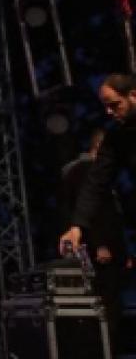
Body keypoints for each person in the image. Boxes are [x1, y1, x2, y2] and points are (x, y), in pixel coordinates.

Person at [59, 127, 126, 345]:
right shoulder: (87, 171)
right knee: (106, 306)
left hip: (100, 247)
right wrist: (101, 244)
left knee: (105, 305)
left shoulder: (84, 172)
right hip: (97, 250)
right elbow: (93, 211)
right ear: (100, 147)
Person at [61, 74, 136, 256]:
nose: (109, 112)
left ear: (133, 95)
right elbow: (96, 182)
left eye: (115, 104)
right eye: (106, 106)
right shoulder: (117, 138)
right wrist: (77, 226)